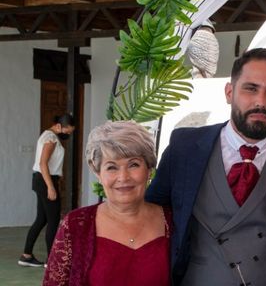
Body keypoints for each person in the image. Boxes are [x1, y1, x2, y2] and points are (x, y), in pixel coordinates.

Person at [145, 48, 266, 286]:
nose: (261, 101)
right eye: (250, 88)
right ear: (229, 92)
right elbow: (150, 213)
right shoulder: (185, 147)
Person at [43, 120, 171, 286]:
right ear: (98, 172)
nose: (123, 177)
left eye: (134, 164)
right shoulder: (76, 224)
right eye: (112, 167)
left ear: (149, 169)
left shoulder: (172, 221)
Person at [18, 113, 75, 268]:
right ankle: (51, 260)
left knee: (41, 219)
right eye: (67, 131)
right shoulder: (51, 138)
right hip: (45, 181)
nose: (68, 135)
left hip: (41, 179)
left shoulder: (47, 135)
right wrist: (51, 186)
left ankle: (26, 255)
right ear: (59, 126)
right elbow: (43, 163)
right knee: (53, 220)